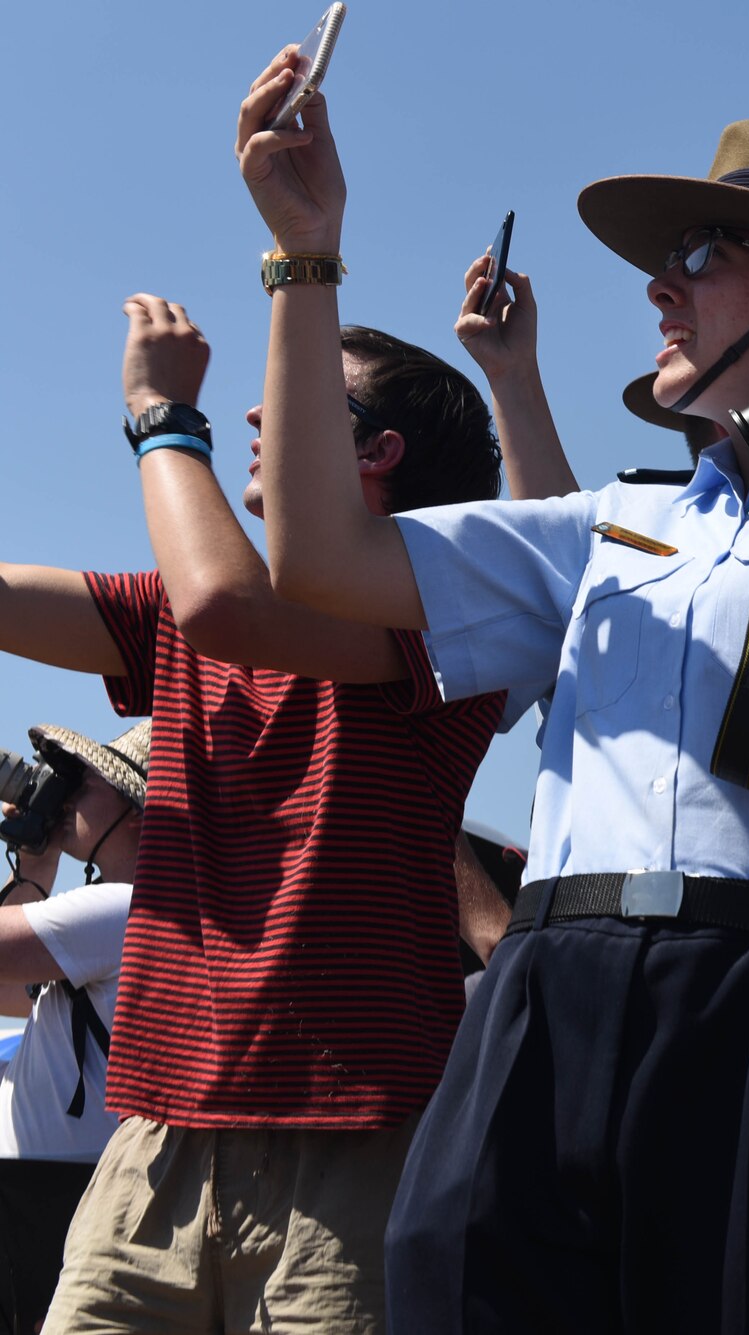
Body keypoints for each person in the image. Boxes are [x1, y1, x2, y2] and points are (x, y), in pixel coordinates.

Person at [234, 50, 749, 1333]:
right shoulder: (619, 519)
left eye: (707, 250)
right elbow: (322, 559)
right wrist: (305, 254)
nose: (659, 284)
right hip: (552, 990)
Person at [0, 279, 509, 1333]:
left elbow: (225, 604)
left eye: (299, 396)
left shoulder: (449, 613)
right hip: (159, 1140)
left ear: (376, 454)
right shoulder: (183, 618)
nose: (253, 411)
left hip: (356, 1142)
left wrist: (161, 422)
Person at [0, 722, 149, 1162]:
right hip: (54, 1187)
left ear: (137, 813)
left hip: (50, 1196)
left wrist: (35, 869)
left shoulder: (119, 909)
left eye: (85, 783)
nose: (68, 798)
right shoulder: (141, 910)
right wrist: (37, 867)